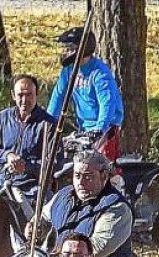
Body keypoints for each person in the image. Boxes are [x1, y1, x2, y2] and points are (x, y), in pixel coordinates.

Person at [36, 150, 136, 257]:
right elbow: (44, 218)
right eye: (77, 175)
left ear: (104, 176)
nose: (81, 182)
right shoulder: (62, 197)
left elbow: (95, 249)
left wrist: (58, 253)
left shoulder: (116, 209)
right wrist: (35, 228)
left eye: (88, 177)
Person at [0, 74, 60, 226]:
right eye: (20, 95)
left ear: (36, 95)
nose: (25, 100)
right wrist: (7, 156)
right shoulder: (2, 118)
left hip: (33, 188)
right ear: (13, 95)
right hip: (2, 183)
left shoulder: (49, 124)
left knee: (41, 226)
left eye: (29, 95)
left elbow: (55, 163)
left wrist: (26, 166)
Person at [47, 27, 124, 163]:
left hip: (106, 127)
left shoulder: (99, 72)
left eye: (71, 48)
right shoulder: (69, 70)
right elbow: (58, 96)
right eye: (66, 48)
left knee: (102, 165)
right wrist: (48, 122)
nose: (67, 52)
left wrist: (100, 128)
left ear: (83, 48)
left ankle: (115, 181)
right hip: (84, 127)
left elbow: (107, 102)